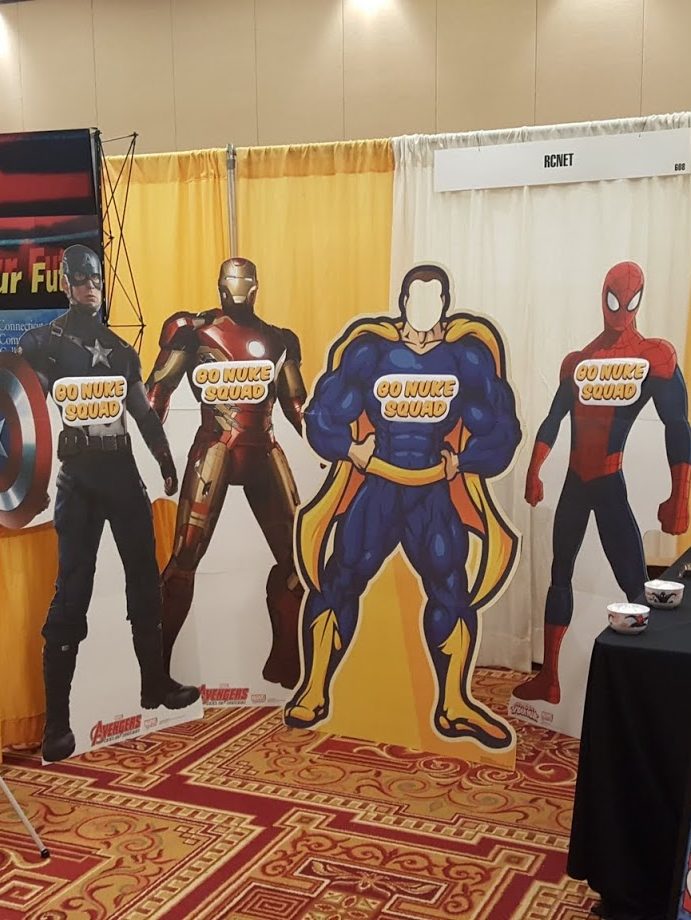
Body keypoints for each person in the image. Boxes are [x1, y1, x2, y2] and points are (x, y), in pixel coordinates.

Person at [285, 264, 521, 749]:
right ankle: (314, 687)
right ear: (403, 300)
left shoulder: (465, 359)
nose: (424, 306)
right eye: (416, 296)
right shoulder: (371, 353)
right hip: (380, 485)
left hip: (431, 492)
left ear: (446, 303)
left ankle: (453, 702)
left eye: (434, 297)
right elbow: (322, 414)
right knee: (340, 577)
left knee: (451, 587)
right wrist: (350, 450)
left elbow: (502, 427)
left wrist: (464, 461)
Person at [17, 245, 199, 763]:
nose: (90, 287)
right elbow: (23, 406)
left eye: (96, 279)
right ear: (65, 283)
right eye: (81, 279)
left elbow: (141, 412)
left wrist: (165, 461)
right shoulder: (43, 343)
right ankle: (58, 723)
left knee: (144, 577)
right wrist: (27, 476)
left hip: (120, 469)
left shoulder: (119, 350)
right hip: (77, 475)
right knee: (72, 589)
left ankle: (154, 682)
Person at [514, 261, 691, 705]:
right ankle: (550, 678)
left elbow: (677, 426)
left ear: (639, 299)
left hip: (609, 480)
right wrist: (534, 469)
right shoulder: (579, 362)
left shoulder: (653, 356)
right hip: (576, 483)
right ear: (603, 297)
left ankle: (648, 684)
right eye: (614, 299)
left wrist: (680, 495)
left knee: (634, 582)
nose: (621, 310)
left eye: (629, 301)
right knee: (560, 573)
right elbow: (553, 419)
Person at [146, 257, 308, 688]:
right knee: (184, 560)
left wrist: (340, 448)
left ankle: (285, 665)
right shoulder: (192, 329)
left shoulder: (278, 339)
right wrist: (155, 455)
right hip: (216, 447)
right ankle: (155, 672)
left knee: (299, 560)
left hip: (261, 447)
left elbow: (298, 407)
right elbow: (157, 395)